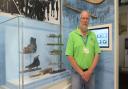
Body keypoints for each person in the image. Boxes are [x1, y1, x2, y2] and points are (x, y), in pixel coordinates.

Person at [65, 10, 101, 89]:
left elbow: (97, 54)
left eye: (87, 19)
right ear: (80, 20)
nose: (85, 21)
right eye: (83, 18)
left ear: (89, 20)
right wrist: (82, 73)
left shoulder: (93, 35)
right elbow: (69, 55)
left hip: (90, 73)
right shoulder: (72, 35)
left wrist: (89, 72)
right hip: (77, 74)